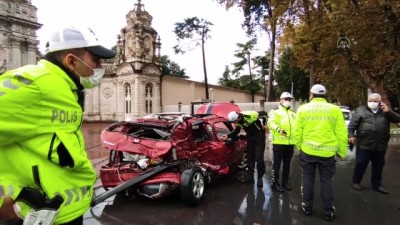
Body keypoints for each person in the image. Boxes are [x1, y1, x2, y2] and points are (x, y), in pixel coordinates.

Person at [0, 26, 116, 225]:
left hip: (62, 212)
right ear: (71, 61)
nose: (99, 68)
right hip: (36, 215)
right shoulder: (36, 83)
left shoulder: (66, 87)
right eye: (95, 61)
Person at [294, 84, 347, 221]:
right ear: (325, 95)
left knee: (308, 179)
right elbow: (341, 132)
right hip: (328, 153)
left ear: (311, 95)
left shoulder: (303, 109)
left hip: (308, 151)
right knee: (326, 181)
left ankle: (307, 207)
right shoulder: (335, 110)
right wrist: (342, 151)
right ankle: (328, 211)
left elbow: (297, 131)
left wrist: (300, 147)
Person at [348, 93, 400, 194]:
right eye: (370, 100)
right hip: (364, 143)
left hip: (380, 144)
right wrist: (351, 136)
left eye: (375, 101)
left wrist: (388, 111)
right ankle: (356, 181)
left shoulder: (385, 111)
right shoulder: (361, 110)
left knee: (378, 165)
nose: (372, 102)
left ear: (380, 101)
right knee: (361, 163)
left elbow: (397, 119)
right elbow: (351, 126)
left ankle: (377, 185)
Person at [223, 110, 268, 187]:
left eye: (234, 121)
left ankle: (260, 177)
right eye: (232, 122)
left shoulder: (250, 115)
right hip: (250, 136)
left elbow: (264, 114)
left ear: (238, 118)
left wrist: (265, 124)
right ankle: (251, 175)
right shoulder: (237, 122)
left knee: (259, 158)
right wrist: (228, 136)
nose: (234, 123)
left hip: (259, 135)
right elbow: (237, 130)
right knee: (250, 157)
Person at [267, 92, 296, 192]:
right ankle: (275, 183)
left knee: (287, 164)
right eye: (286, 99)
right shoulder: (275, 111)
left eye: (289, 99)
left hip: (290, 143)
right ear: (281, 100)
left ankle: (285, 182)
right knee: (277, 164)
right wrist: (279, 129)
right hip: (279, 142)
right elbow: (270, 123)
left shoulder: (292, 113)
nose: (288, 101)